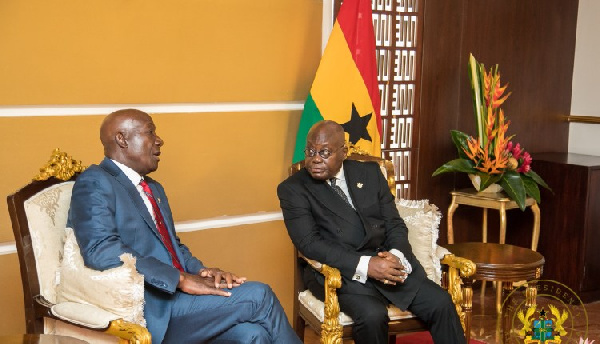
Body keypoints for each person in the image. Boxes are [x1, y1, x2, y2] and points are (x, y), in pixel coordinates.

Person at [68, 109, 301, 344]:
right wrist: (180, 279)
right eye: (150, 132)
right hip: (154, 307)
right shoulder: (95, 181)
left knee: (253, 335)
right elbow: (100, 250)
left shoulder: (153, 188)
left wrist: (202, 272)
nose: (159, 140)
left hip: (179, 300)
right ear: (122, 139)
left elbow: (171, 246)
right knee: (259, 296)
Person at [277, 120, 465, 344]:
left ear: (344, 152)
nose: (315, 158)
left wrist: (397, 254)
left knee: (441, 302)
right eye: (310, 151)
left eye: (325, 152)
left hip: (386, 262)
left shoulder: (370, 173)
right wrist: (367, 265)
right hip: (340, 271)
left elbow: (394, 223)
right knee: (372, 315)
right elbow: (309, 243)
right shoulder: (293, 189)